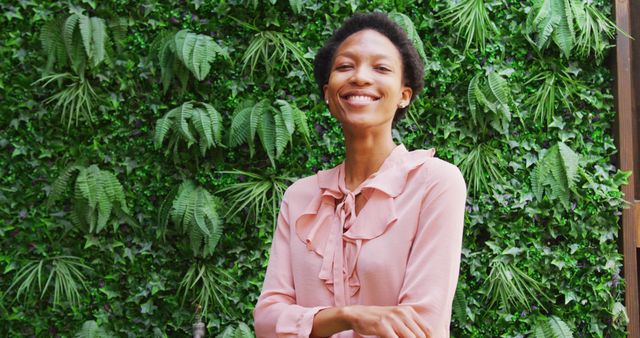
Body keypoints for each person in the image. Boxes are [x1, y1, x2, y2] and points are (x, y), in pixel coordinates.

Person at [253, 12, 466, 338]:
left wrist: (308, 324)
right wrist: (348, 317)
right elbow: (268, 320)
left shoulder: (436, 183)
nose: (360, 77)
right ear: (328, 92)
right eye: (345, 67)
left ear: (403, 95)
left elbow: (422, 325)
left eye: (381, 68)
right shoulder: (299, 198)